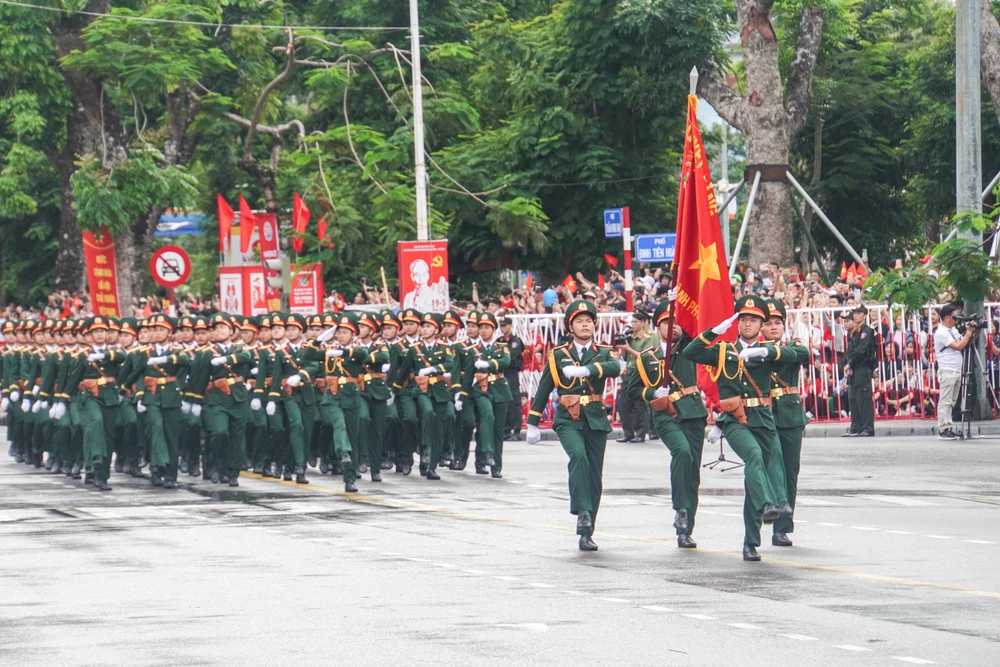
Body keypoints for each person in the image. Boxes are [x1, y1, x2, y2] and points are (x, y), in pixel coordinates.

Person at [685, 295, 798, 562]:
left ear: (761, 324)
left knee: (759, 475)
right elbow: (691, 352)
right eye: (743, 319)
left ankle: (750, 542)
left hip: (763, 418)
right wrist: (714, 331)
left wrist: (766, 351)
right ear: (737, 322)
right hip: (735, 420)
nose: (748, 324)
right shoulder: (724, 351)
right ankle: (770, 504)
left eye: (754, 320)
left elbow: (798, 354)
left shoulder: (768, 350)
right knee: (754, 457)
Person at [526, 299, 621, 552]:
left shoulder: (603, 351)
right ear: (571, 326)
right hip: (568, 419)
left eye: (589, 321)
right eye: (580, 321)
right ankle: (582, 514)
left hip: (596, 418)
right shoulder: (559, 355)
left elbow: (615, 368)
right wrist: (533, 423)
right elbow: (545, 386)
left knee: (594, 476)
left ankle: (588, 531)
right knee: (578, 457)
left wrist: (588, 370)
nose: (585, 325)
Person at [625, 299, 707, 548]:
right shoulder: (647, 357)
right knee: (681, 452)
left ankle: (686, 528)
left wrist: (686, 330)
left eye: (676, 323)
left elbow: (699, 338)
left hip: (693, 412)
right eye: (666, 323)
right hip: (666, 414)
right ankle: (680, 510)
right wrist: (652, 395)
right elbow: (633, 390)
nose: (672, 327)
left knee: (692, 470)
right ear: (657, 326)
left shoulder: (689, 348)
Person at [760, 299, 811, 548]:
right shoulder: (752, 350)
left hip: (790, 416)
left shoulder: (792, 345)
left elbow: (803, 354)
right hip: (764, 415)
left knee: (790, 472)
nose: (773, 327)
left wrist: (772, 351)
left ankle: (782, 527)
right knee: (767, 468)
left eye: (777, 323)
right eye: (768, 323)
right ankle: (761, 514)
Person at [615, 309, 657, 443]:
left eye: (635, 322)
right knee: (624, 403)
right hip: (629, 371)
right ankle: (628, 432)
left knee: (640, 404)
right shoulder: (631, 337)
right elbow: (624, 357)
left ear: (644, 323)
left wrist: (628, 348)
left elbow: (645, 357)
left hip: (641, 373)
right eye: (632, 322)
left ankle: (640, 433)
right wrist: (622, 345)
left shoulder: (649, 337)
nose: (632, 324)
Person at [933, 303, 974, 440]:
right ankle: (943, 429)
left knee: (951, 401)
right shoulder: (941, 332)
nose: (956, 319)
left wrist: (974, 331)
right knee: (945, 401)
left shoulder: (953, 330)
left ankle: (948, 427)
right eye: (954, 317)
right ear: (946, 317)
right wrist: (968, 332)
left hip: (955, 370)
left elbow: (966, 342)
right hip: (947, 370)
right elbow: (958, 346)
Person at [843, 304, 877, 437]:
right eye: (855, 313)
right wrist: (849, 365)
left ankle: (867, 428)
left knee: (864, 399)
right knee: (853, 399)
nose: (856, 315)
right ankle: (855, 427)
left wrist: (850, 364)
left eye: (858, 313)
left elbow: (861, 351)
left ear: (864, 315)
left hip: (862, 368)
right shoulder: (855, 333)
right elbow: (851, 352)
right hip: (854, 369)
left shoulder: (866, 331)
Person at [498, 317, 524, 441]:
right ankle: (506, 429)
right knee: (504, 400)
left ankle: (517, 430)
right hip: (501, 373)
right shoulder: (499, 341)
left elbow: (511, 357)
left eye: (504, 325)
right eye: (501, 326)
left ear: (510, 326)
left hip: (511, 373)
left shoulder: (515, 341)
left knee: (514, 401)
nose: (502, 328)